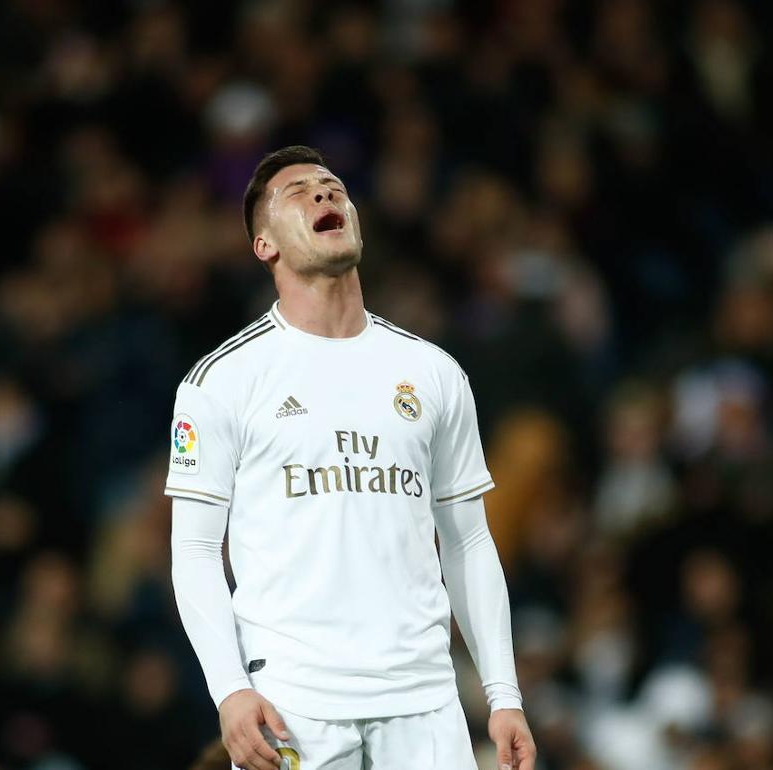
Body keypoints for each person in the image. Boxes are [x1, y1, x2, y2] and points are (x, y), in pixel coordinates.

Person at [167, 145, 536, 770]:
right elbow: (196, 550)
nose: (324, 193)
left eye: (333, 185)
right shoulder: (223, 380)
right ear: (264, 245)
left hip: (425, 702)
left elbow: (469, 541)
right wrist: (229, 689)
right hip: (293, 702)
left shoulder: (432, 372)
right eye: (298, 191)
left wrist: (503, 693)